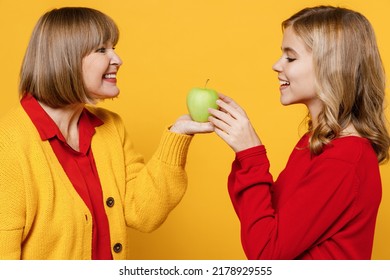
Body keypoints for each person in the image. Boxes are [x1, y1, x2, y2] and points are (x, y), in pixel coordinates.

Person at [0, 7, 213, 260]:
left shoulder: (110, 127)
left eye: (114, 48)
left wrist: (178, 135)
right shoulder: (9, 144)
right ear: (65, 58)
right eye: (102, 50)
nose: (118, 59)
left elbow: (143, 213)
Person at [208, 5, 390, 259]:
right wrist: (244, 155)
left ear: (332, 67)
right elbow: (261, 224)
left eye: (290, 57)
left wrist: (251, 155)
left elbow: (266, 255)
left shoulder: (345, 158)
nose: (276, 65)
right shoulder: (316, 143)